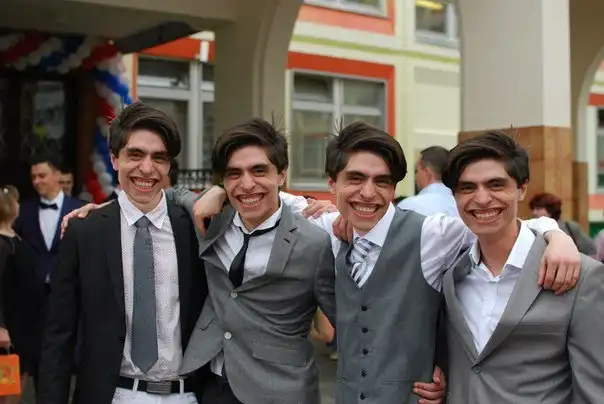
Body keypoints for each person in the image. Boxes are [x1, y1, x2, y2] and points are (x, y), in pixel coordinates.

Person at [174, 122, 580, 404]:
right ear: (332, 183)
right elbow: (267, 197)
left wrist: (554, 234)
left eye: (382, 182)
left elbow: (493, 218)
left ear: (395, 186)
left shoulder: (431, 234)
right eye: (355, 179)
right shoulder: (326, 226)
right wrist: (217, 191)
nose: (368, 193)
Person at [37, 102, 208, 404]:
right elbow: (59, 336)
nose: (147, 168)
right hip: (111, 395)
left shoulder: (195, 229)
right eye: (135, 155)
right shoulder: (84, 232)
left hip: (186, 395)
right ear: (115, 159)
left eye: (159, 157)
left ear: (169, 165)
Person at [168, 118, 336, 404]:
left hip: (281, 390)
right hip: (211, 382)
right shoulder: (212, 219)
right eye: (234, 174)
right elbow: (169, 194)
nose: (247, 184)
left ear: (281, 174)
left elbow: (349, 323)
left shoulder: (315, 241)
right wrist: (100, 208)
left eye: (259, 171)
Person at [440, 131, 604, 403]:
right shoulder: (451, 274)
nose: (482, 198)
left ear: (522, 188)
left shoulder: (581, 276)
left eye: (495, 185)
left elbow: (595, 390)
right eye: (467, 188)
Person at [10, 156, 85, 390]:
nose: (37, 181)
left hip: (68, 292)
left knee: (70, 353)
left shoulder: (79, 208)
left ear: (56, 175)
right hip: (32, 298)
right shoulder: (24, 211)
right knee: (38, 358)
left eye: (42, 175)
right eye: (33, 177)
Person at [0, 185, 25, 404]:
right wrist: (1, 327)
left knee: (16, 382)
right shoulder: (1, 244)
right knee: (6, 386)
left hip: (19, 322)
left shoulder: (15, 237)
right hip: (6, 324)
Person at [529, 192, 596, 256]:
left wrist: (580, 262)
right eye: (533, 209)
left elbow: (590, 249)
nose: (534, 212)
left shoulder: (570, 227)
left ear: (550, 210)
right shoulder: (531, 229)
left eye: (538, 209)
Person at [398, 146, 458, 217]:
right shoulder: (461, 206)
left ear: (427, 171)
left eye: (416, 171)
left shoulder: (408, 207)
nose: (416, 178)